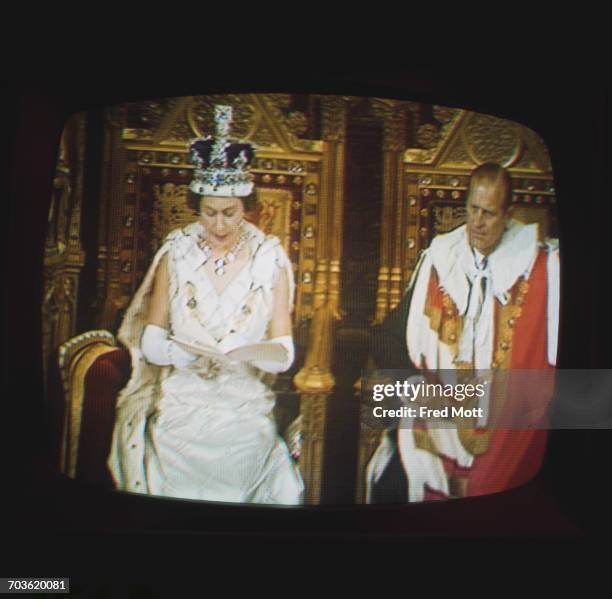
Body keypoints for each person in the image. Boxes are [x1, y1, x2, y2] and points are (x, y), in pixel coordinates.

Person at [107, 105, 303, 504]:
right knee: (172, 456)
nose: (218, 226)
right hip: (184, 399)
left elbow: (284, 354)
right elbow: (152, 341)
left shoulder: (270, 258)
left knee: (244, 459)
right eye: (208, 214)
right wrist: (183, 355)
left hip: (241, 402)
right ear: (196, 210)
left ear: (248, 208)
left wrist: (244, 352)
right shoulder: (176, 253)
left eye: (229, 214)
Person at [367, 162, 559, 502]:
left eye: (489, 213)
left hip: (506, 431)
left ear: (509, 213)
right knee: (391, 487)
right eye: (472, 209)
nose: (477, 223)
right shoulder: (441, 258)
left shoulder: (540, 270)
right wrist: (415, 386)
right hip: (437, 419)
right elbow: (386, 338)